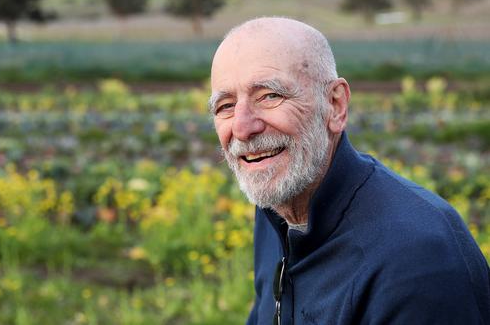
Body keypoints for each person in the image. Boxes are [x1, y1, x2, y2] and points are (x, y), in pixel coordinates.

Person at [209, 17, 490, 325]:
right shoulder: (275, 210)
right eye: (225, 106)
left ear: (335, 105)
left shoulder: (417, 258)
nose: (242, 126)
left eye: (270, 96)